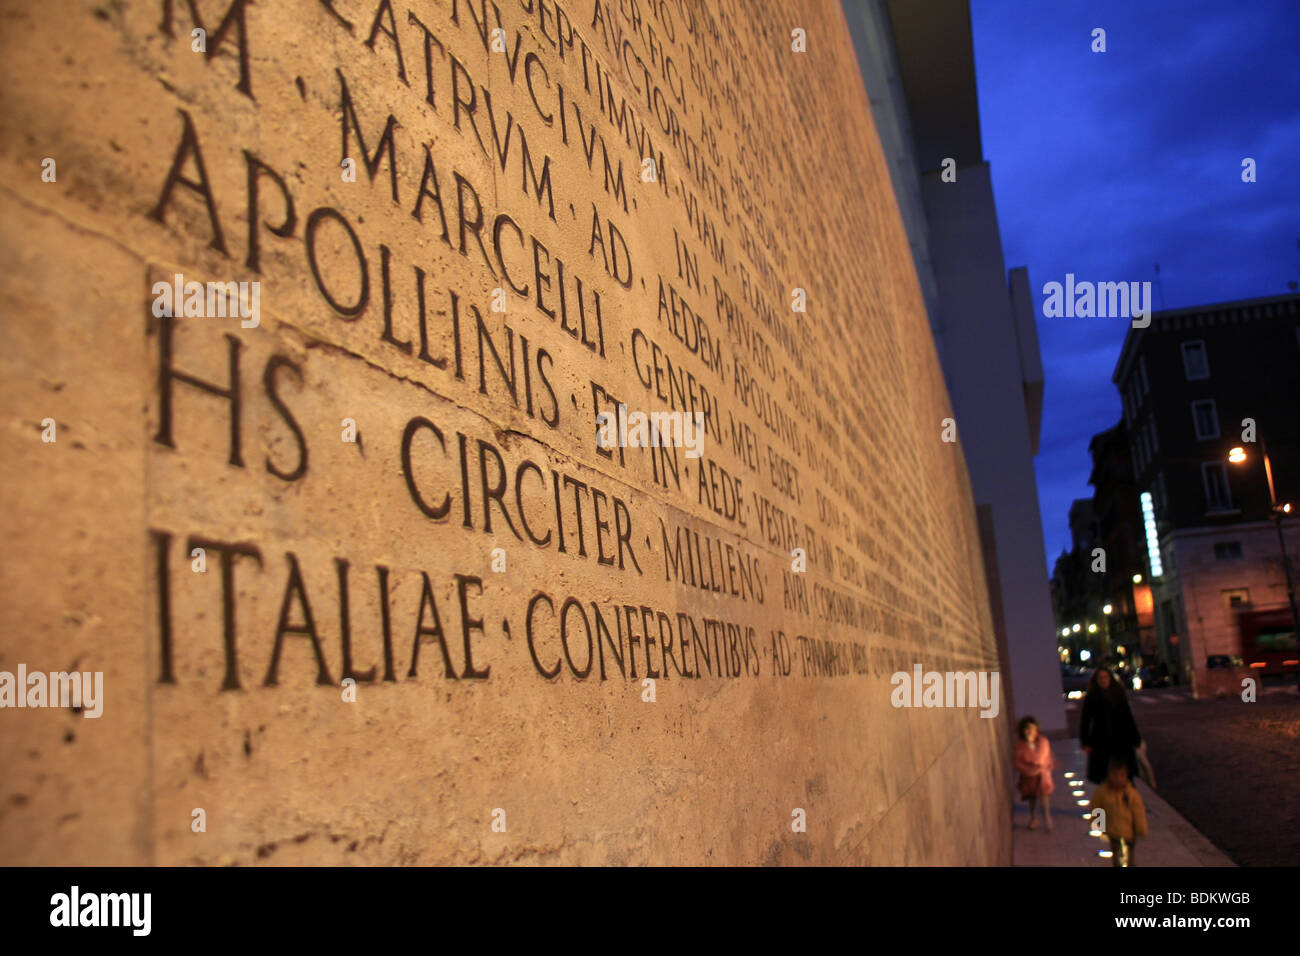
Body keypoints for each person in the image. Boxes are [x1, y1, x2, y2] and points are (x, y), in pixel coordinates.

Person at [1079, 667, 1141, 785]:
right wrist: (1085, 742)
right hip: (1101, 739)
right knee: (1104, 775)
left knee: (1125, 773)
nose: (1103, 680)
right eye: (1100, 678)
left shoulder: (1118, 694)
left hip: (1121, 738)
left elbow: (1128, 717)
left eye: (1105, 677)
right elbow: (1085, 720)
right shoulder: (1092, 697)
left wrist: (1135, 738)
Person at [1089, 756, 1148, 866]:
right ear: (1109, 775)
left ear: (1126, 776)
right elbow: (1097, 808)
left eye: (1121, 775)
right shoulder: (1102, 792)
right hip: (1113, 833)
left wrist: (1141, 829)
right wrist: (1098, 827)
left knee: (1129, 859)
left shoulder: (1130, 793)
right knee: (1117, 859)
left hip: (1129, 834)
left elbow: (1138, 812)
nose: (1118, 779)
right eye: (1114, 775)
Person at [1014, 716, 1055, 830]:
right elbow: (1017, 762)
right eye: (1026, 728)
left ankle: (1047, 819)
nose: (1029, 731)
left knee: (1045, 799)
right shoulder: (1020, 746)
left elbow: (1047, 758)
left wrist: (1045, 768)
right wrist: (1028, 770)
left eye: (1031, 728)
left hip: (1042, 776)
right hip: (1029, 778)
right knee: (1032, 799)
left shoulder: (1043, 742)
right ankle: (1033, 818)